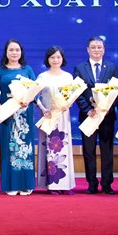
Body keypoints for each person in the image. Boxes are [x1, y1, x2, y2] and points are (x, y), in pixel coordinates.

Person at [73, 36, 118, 195]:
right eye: (93, 47)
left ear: (104, 49)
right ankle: (91, 183)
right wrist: (88, 109)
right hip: (88, 116)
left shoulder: (111, 67)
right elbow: (78, 93)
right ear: (88, 50)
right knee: (89, 150)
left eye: (99, 47)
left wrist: (107, 108)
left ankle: (107, 184)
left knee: (107, 150)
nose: (96, 50)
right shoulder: (80, 68)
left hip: (107, 117)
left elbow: (117, 91)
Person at [0, 39, 36, 196]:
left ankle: (26, 184)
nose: (14, 53)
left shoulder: (27, 70)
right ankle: (11, 185)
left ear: (21, 52)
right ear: (6, 52)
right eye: (11, 50)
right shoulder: (0, 71)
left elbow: (35, 90)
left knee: (25, 148)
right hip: (7, 114)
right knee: (9, 148)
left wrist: (28, 100)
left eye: (17, 50)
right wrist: (0, 107)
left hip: (24, 114)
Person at [35, 46, 76, 194]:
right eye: (52, 57)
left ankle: (65, 185)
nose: (55, 60)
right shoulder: (42, 77)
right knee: (49, 148)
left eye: (58, 57)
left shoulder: (68, 77)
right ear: (48, 59)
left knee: (63, 147)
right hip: (47, 116)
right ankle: (51, 185)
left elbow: (72, 96)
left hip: (63, 116)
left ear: (62, 59)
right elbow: (34, 96)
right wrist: (43, 109)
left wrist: (68, 104)